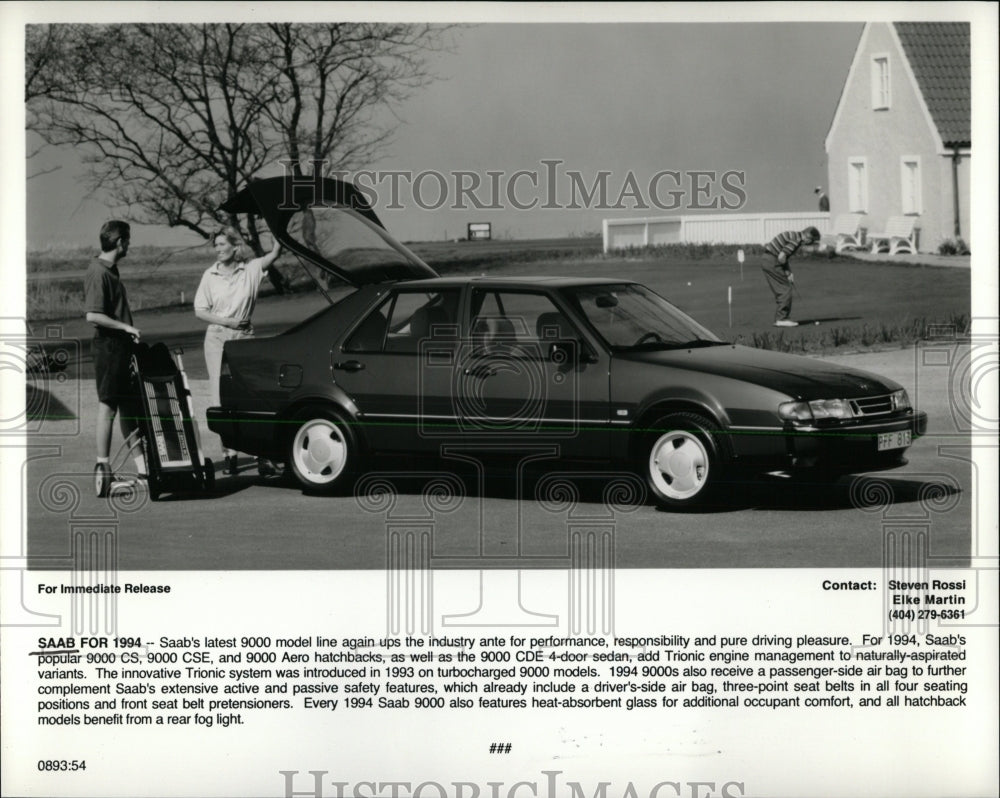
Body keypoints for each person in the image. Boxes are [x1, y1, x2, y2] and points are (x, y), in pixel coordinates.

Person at [194, 226, 282, 474]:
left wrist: (277, 228)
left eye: (223, 245)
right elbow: (200, 310)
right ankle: (230, 455)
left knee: (250, 394)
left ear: (235, 246)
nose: (218, 249)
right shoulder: (209, 275)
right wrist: (227, 322)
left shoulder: (252, 268)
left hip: (244, 336)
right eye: (216, 245)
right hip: (217, 337)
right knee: (220, 397)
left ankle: (262, 456)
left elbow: (275, 252)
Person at [84, 220, 145, 484]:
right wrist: (125, 327)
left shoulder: (111, 270)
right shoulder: (98, 271)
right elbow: (93, 315)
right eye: (128, 240)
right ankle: (103, 466)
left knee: (130, 409)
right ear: (120, 242)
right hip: (108, 347)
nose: (129, 245)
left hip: (121, 347)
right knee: (108, 407)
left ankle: (144, 469)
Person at [761, 226, 820, 327]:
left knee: (782, 288)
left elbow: (783, 256)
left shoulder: (794, 235)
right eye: (812, 241)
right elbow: (781, 257)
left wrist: (788, 271)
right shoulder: (796, 240)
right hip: (772, 261)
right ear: (808, 238)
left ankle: (781, 318)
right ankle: (781, 319)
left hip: (766, 259)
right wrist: (787, 272)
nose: (809, 244)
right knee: (785, 289)